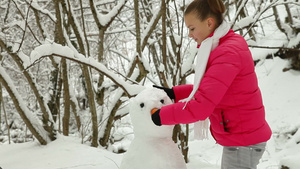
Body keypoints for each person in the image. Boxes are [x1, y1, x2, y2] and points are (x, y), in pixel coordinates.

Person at [150, 0, 272, 168]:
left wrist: (160, 116)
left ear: (209, 23)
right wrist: (175, 93)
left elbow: (201, 106)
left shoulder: (227, 52)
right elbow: (211, 88)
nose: (189, 35)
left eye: (192, 28)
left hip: (244, 141)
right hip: (243, 138)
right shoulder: (223, 45)